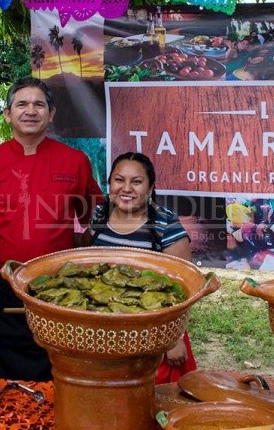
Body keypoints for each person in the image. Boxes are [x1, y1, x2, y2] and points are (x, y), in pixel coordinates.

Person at [0, 77, 103, 381]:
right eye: (22, 104)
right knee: (1, 377)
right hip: (3, 286)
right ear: (7, 113)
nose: (31, 111)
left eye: (39, 104)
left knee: (59, 366)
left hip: (59, 286)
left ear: (51, 113)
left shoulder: (75, 161)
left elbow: (95, 217)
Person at [89, 152, 197, 384]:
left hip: (154, 337)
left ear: (150, 188)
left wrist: (173, 339)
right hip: (105, 331)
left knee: (152, 407)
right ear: (110, 184)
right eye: (119, 180)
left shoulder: (164, 224)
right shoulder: (100, 214)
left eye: (136, 182)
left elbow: (185, 288)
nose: (126, 188)